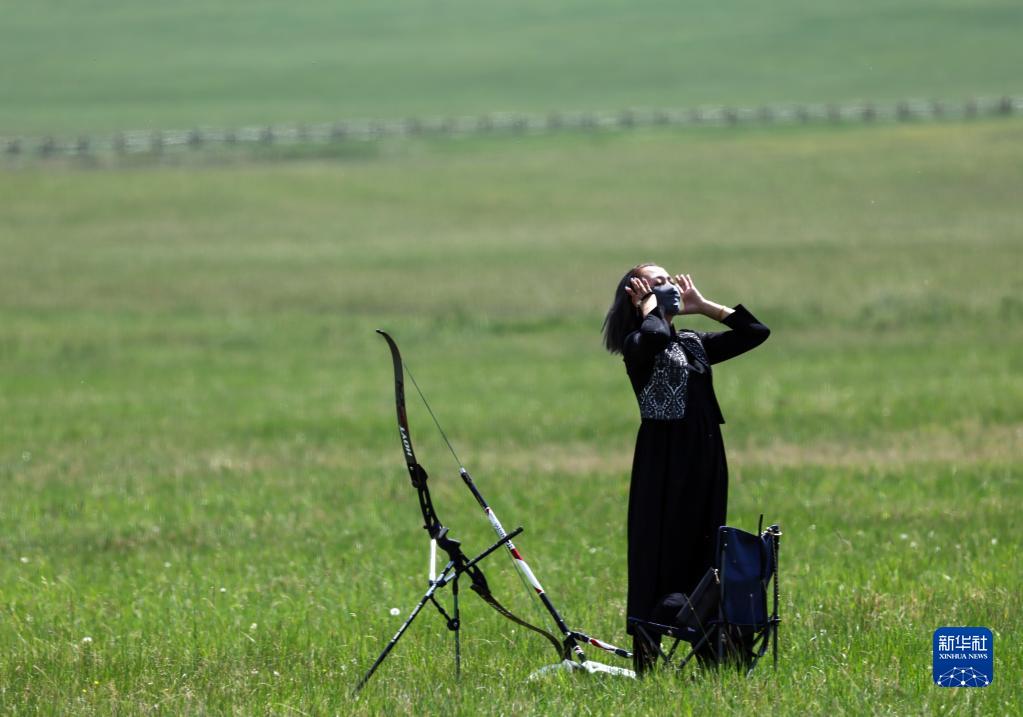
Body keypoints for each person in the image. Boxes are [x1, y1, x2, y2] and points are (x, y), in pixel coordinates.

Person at [601, 263, 771, 675]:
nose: (671, 286)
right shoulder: (636, 344)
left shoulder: (694, 342)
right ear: (637, 294)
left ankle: (710, 646)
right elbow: (656, 338)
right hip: (664, 462)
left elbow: (755, 332)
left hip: (706, 458)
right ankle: (648, 657)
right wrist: (649, 309)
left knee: (706, 549)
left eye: (670, 279)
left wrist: (705, 305)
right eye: (658, 282)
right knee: (658, 549)